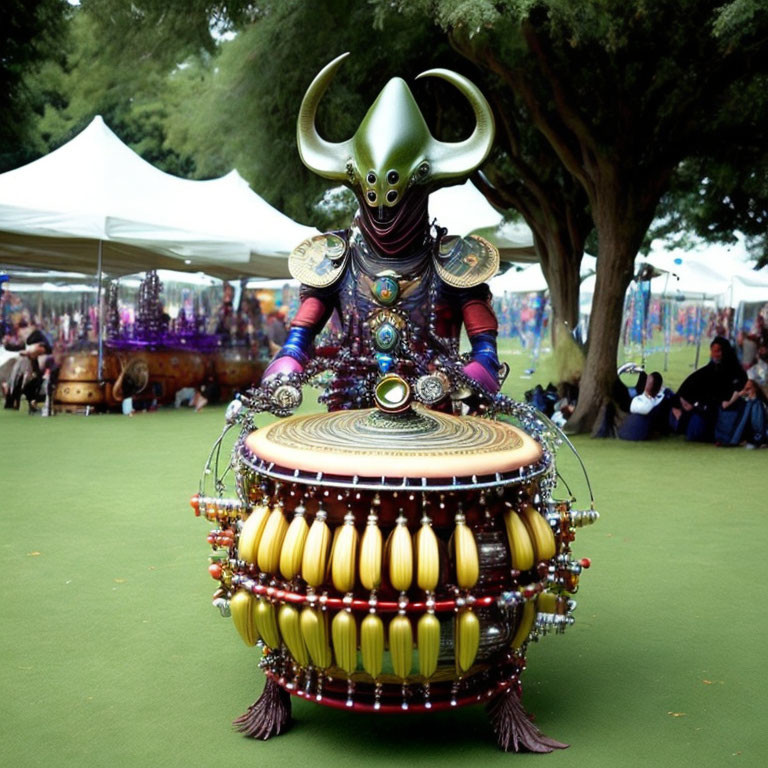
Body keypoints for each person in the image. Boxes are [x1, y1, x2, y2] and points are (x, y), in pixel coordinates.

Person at [671, 336, 746, 442]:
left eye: (718, 351)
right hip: (705, 411)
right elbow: (687, 389)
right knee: (694, 432)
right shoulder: (707, 371)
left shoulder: (737, 372)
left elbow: (741, 390)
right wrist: (683, 401)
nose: (715, 354)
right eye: (713, 351)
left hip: (727, 412)